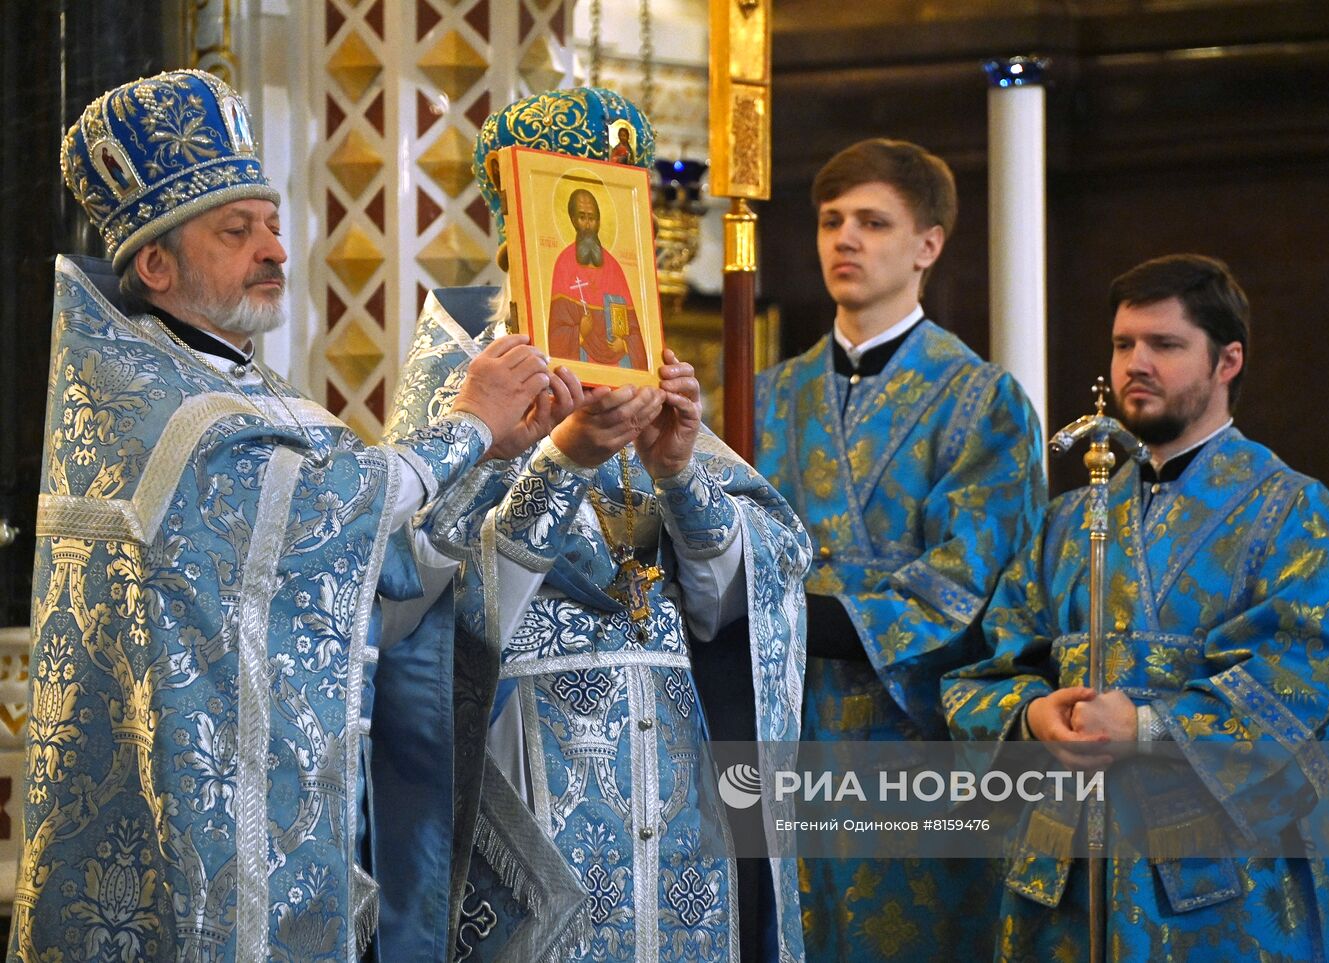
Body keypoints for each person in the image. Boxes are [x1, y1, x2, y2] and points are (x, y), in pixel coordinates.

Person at [16, 69, 566, 962]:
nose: (274, 248)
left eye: (273, 223)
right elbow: (321, 510)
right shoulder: (150, 406)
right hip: (189, 838)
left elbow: (377, 568)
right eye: (237, 232)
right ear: (155, 264)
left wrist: (504, 458)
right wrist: (467, 426)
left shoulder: (254, 393)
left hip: (290, 823)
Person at [404, 85, 811, 962]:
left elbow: (745, 603)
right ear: (522, 233)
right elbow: (432, 613)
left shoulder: (652, 381)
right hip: (531, 776)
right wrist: (563, 461)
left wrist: (678, 473)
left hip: (681, 793)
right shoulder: (463, 393)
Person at [943, 253, 1329, 960]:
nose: (1136, 362)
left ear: (1227, 360)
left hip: (1226, 886)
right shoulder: (1064, 523)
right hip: (1069, 877)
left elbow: (1308, 688)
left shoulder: (1297, 515)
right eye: (1123, 344)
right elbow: (989, 664)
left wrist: (1142, 725)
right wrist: (1033, 714)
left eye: (1165, 345)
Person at [753, 138, 1046, 961]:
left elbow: (978, 579)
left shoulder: (980, 401)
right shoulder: (768, 396)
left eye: (873, 222)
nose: (845, 238)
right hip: (785, 728)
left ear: (928, 245)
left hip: (913, 747)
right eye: (831, 220)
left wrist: (785, 614)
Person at [548, 187, 648, 370]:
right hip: (579, 369)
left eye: (592, 218)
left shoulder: (614, 267)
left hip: (618, 369)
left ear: (599, 221)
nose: (587, 225)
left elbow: (636, 329)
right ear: (572, 220)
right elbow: (553, 332)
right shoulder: (564, 263)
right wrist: (578, 333)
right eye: (582, 217)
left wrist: (625, 345)